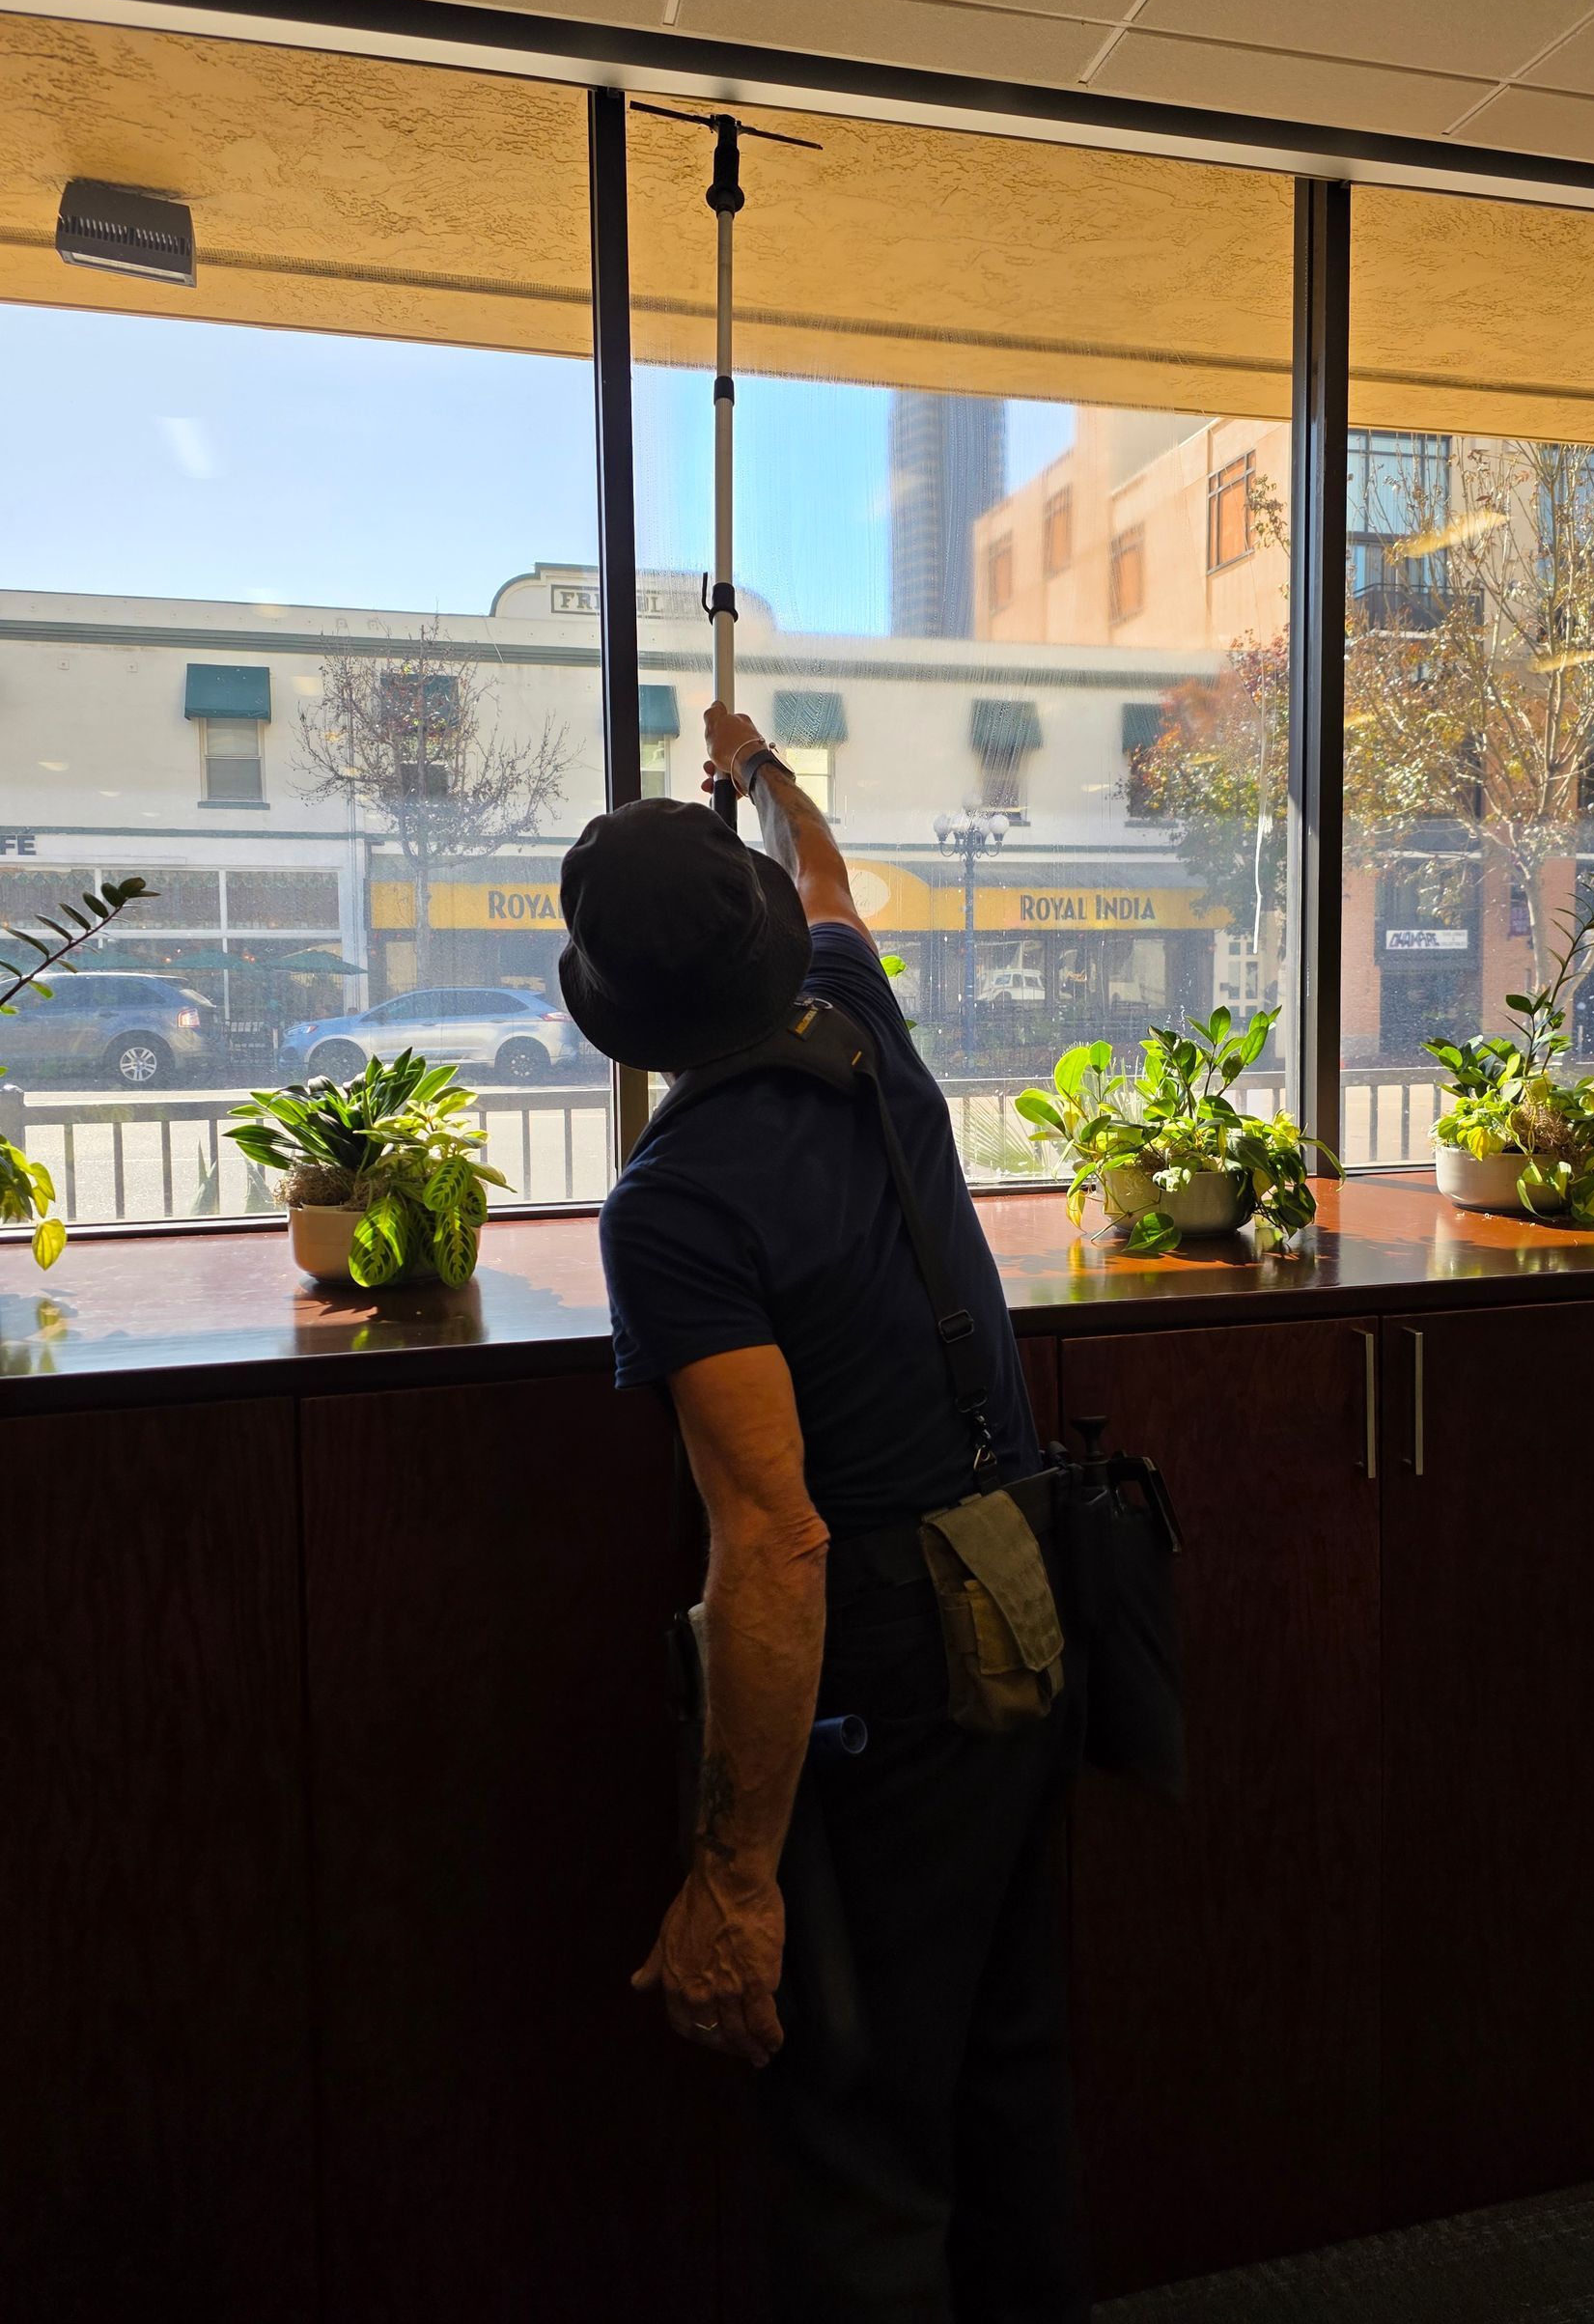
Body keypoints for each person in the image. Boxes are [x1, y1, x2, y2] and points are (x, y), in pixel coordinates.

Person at [556, 704, 1089, 2324]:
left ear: (624, 1021)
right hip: (1024, 1593)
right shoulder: (856, 1009)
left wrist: (735, 1877)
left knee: (857, 2122)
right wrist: (766, 777)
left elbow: (775, 1545)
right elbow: (837, 878)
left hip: (886, 1670)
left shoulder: (674, 1204)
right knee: (1009, 2077)